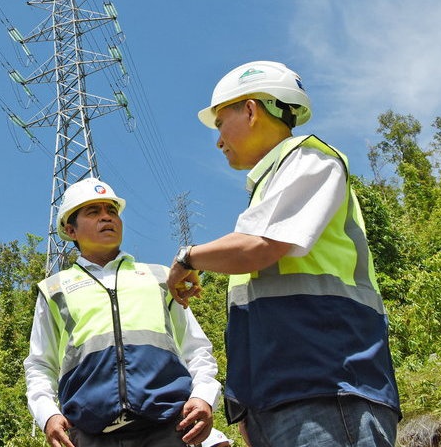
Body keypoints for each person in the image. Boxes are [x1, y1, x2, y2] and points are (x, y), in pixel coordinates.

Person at [166, 60, 400, 447]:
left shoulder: (310, 160)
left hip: (329, 389)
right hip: (281, 402)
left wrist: (187, 258)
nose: (219, 140)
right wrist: (248, 408)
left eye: (220, 123)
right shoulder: (273, 187)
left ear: (251, 110)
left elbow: (259, 247)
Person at [24, 177, 221, 447]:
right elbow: (39, 364)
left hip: (168, 428)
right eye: (93, 212)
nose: (107, 217)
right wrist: (47, 414)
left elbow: (195, 348)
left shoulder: (161, 277)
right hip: (91, 434)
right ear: (71, 230)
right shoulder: (54, 290)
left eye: (112, 211)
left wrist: (204, 396)